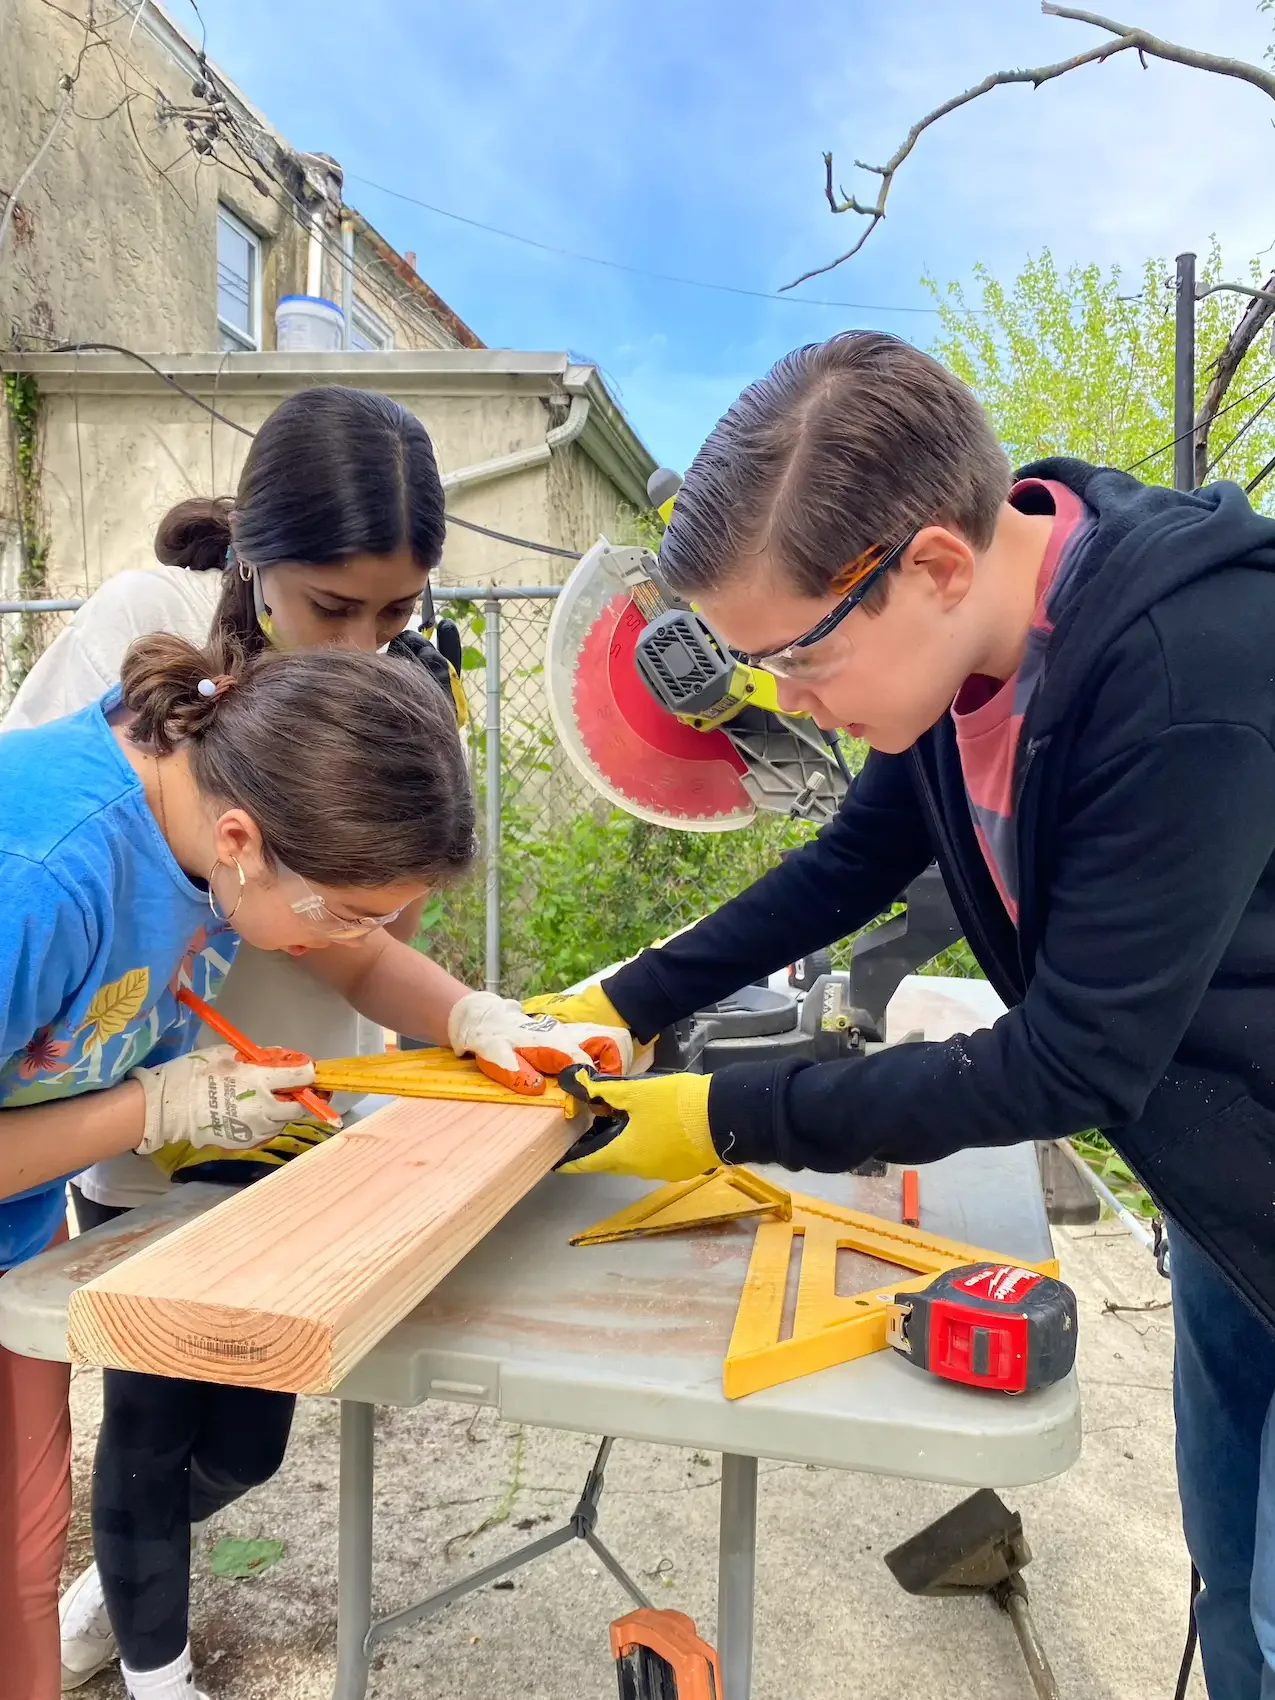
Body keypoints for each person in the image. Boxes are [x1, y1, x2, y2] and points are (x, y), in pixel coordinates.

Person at [531, 330, 1275, 1700]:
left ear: (930, 562)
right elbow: (844, 866)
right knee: (1231, 1584)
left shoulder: (1186, 669)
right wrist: (621, 1000)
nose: (787, 702)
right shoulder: (959, 653)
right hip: (1232, 1199)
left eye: (795, 660)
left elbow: (1071, 1059)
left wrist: (721, 1115)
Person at [1, 386, 630, 1697]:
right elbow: (76, 887)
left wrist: (465, 1013)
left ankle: (122, 1594)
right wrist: (154, 1109)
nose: (365, 640)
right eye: (331, 606)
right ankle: (145, 1639)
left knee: (203, 1449)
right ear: (255, 562)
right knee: (145, 1417)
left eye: (394, 612)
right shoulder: (88, 819)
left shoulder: (252, 831)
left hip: (211, 1094)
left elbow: (323, 920)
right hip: (124, 1092)